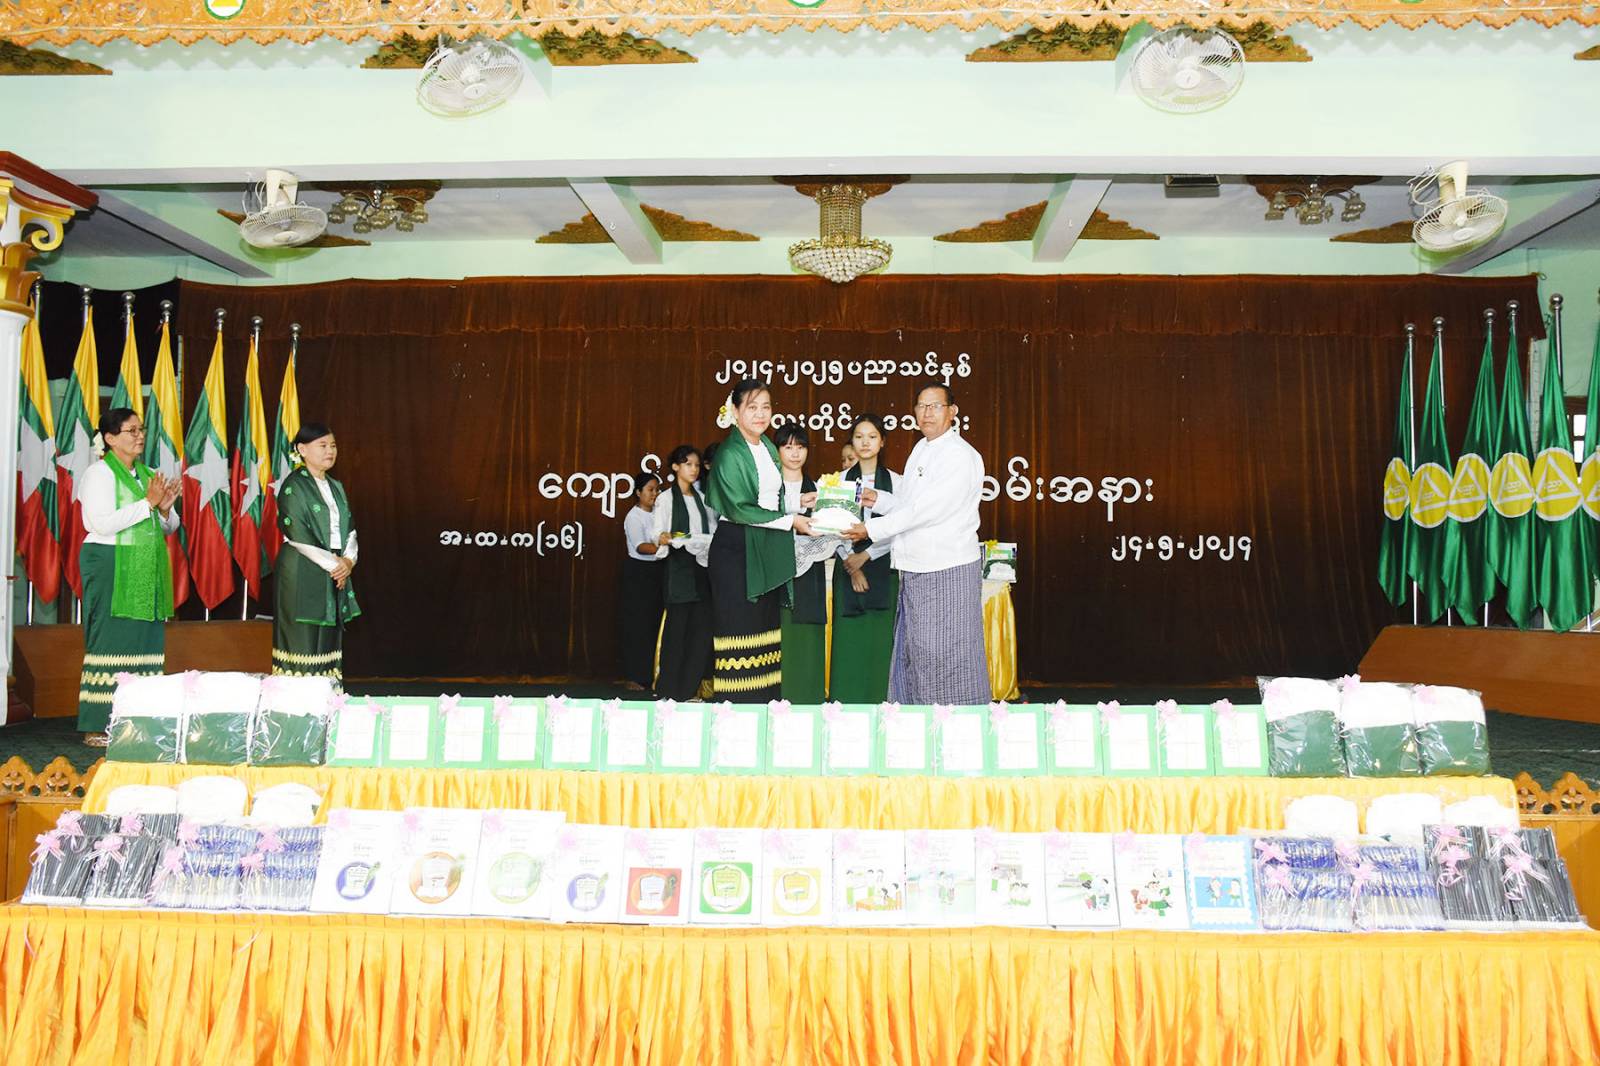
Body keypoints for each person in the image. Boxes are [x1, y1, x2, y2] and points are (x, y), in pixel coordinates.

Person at [843, 383, 988, 704]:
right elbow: (910, 505)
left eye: (935, 406)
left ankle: (954, 722)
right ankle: (917, 720)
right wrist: (878, 499)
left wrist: (869, 529)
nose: (927, 413)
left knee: (947, 656)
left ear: (952, 411)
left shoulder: (959, 456)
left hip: (946, 569)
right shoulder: (922, 447)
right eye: (921, 406)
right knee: (917, 653)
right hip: (916, 568)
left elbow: (926, 512)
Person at [705, 378, 812, 700]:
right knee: (740, 637)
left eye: (766, 407)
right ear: (735, 411)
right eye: (752, 407)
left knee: (764, 635)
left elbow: (766, 500)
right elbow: (740, 508)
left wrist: (796, 504)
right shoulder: (729, 453)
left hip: (762, 546)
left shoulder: (765, 447)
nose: (761, 414)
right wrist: (792, 521)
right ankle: (736, 713)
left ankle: (764, 711)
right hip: (737, 550)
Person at [76, 408, 179, 740]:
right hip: (109, 562)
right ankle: (99, 723)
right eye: (131, 430)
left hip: (143, 564)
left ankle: (137, 722)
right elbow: (100, 523)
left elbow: (166, 527)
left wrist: (164, 509)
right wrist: (148, 504)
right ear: (109, 438)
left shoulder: (146, 473)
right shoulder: (98, 474)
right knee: (111, 640)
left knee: (143, 640)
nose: (140, 435)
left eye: (141, 429)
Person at [274, 423, 363, 688]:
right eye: (322, 445)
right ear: (302, 450)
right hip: (303, 568)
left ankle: (327, 698)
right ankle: (295, 703)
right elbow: (298, 534)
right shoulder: (293, 486)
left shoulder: (336, 486)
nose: (330, 451)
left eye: (333, 445)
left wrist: (348, 561)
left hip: (333, 569)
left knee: (327, 638)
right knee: (302, 637)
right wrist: (336, 565)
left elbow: (349, 529)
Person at [830, 414, 901, 703]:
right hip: (848, 569)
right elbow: (832, 528)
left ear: (882, 442)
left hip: (884, 568)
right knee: (849, 643)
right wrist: (852, 564)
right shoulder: (838, 481)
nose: (865, 442)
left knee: (879, 642)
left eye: (872, 436)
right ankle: (844, 706)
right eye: (859, 437)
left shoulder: (897, 482)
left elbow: (901, 525)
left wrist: (867, 555)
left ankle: (881, 705)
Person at [652, 445, 716, 701]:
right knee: (676, 633)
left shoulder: (702, 499)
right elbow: (658, 532)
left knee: (700, 633)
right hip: (679, 568)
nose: (694, 469)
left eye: (697, 465)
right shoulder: (666, 498)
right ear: (676, 466)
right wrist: (666, 537)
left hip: (702, 568)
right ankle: (668, 692)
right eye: (688, 464)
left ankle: (689, 690)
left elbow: (710, 530)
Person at [773, 423, 825, 703]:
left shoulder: (819, 489)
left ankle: (808, 699)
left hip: (808, 571)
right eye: (788, 446)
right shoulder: (767, 488)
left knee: (806, 635)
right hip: (774, 572)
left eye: (801, 447)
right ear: (777, 450)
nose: (795, 453)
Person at [617, 475, 664, 690]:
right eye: (650, 490)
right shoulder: (633, 517)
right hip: (639, 575)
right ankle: (635, 677)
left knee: (655, 624)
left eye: (657, 490)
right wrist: (667, 547)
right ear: (638, 492)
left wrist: (683, 538)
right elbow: (640, 546)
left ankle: (654, 674)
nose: (655, 494)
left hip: (658, 572)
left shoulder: (659, 514)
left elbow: (668, 535)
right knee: (639, 626)